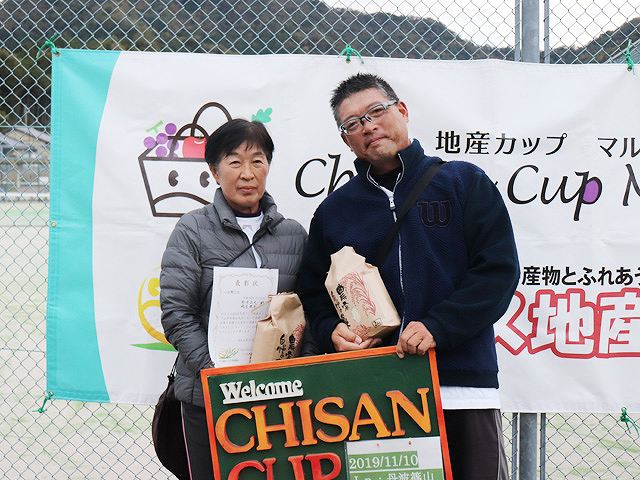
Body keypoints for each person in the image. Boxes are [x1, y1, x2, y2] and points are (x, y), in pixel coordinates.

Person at [296, 73, 519, 480]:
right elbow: (312, 292)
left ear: (402, 110)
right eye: (352, 123)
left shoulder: (463, 182)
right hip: (375, 395)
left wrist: (438, 326)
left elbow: (497, 273)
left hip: (461, 386)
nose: (367, 126)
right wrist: (331, 331)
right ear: (346, 140)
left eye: (375, 111)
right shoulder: (334, 212)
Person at [160, 119, 307, 480]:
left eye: (257, 161)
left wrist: (299, 371)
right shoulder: (192, 230)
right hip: (208, 395)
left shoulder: (293, 234)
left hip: (279, 395)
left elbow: (309, 309)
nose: (247, 174)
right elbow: (177, 313)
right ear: (215, 170)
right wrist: (215, 372)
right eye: (234, 162)